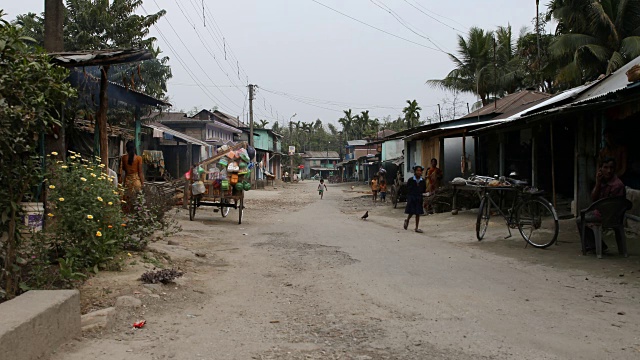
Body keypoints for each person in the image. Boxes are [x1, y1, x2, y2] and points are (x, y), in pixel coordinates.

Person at [576, 157, 625, 253]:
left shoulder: (617, 185)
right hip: (602, 212)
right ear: (600, 169)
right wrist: (598, 182)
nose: (609, 171)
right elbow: (593, 198)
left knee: (579, 220)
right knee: (581, 217)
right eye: (605, 168)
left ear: (614, 169)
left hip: (610, 215)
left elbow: (613, 207)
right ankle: (596, 245)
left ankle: (595, 245)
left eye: (611, 168)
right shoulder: (602, 181)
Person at [119, 141, 144, 211]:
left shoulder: (123, 158)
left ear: (126, 149)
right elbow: (140, 172)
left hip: (128, 181)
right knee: (138, 200)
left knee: (127, 200)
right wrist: (142, 183)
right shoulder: (139, 158)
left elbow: (122, 169)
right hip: (136, 181)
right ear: (134, 148)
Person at [404, 165, 427, 233]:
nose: (419, 172)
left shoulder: (422, 181)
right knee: (411, 212)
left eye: (420, 171)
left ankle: (416, 228)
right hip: (412, 197)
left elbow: (424, 189)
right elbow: (407, 189)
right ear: (415, 172)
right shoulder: (411, 180)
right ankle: (407, 220)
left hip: (419, 197)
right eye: (417, 171)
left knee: (418, 213)